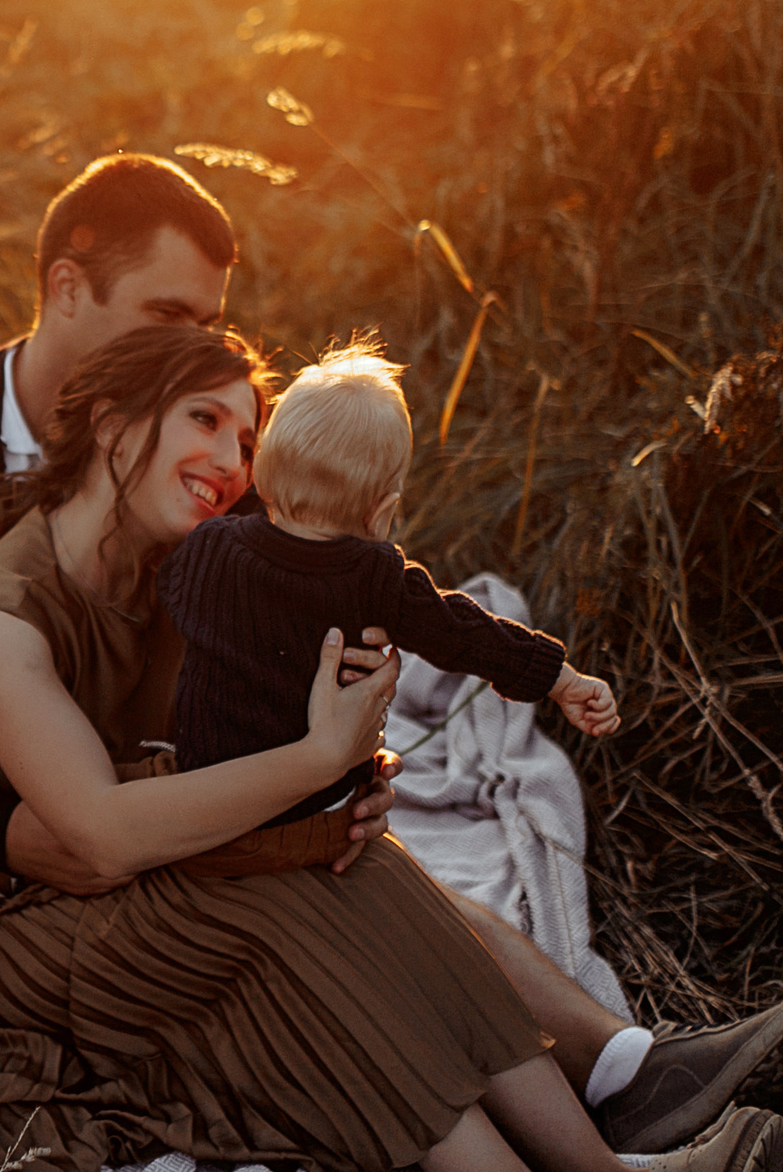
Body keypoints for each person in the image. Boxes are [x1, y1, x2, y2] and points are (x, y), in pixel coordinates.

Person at [0, 154, 783, 1172]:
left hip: (126, 787)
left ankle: (622, 1093)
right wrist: (22, 832)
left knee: (341, 867)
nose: (223, 434)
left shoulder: (187, 502)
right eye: (169, 325)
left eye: (236, 414)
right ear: (68, 292)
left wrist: (336, 777)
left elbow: (237, 668)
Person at [0, 324, 783, 1172]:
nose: (231, 462)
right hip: (32, 940)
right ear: (111, 424)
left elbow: (271, 693)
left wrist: (348, 785)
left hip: (161, 872)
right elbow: (98, 834)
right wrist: (314, 763)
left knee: (374, 885)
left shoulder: (187, 562)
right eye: (205, 420)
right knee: (304, 921)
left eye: (249, 439)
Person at [162, 340, 622, 817]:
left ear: (258, 471)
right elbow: (461, 633)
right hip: (315, 814)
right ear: (383, 512)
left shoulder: (208, 547)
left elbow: (173, 593)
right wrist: (559, 678)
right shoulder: (375, 577)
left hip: (203, 804)